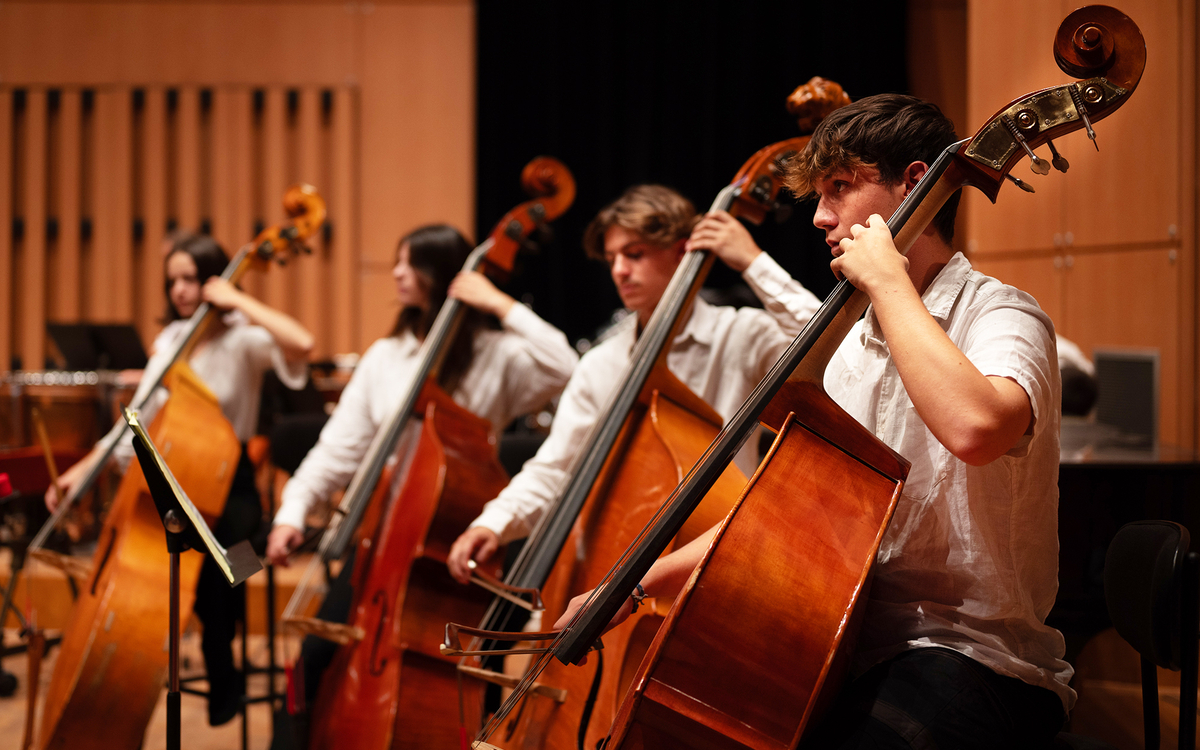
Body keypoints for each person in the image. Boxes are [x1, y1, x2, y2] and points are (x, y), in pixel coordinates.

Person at [557, 95, 1074, 749]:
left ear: (915, 183)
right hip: (849, 649)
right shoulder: (854, 351)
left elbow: (977, 430)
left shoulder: (1001, 314)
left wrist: (888, 282)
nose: (822, 216)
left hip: (976, 660)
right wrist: (625, 588)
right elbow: (775, 520)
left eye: (840, 188)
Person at [262, 223, 578, 713]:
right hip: (385, 536)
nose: (397, 273)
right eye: (397, 261)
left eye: (409, 263)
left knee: (474, 674)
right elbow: (338, 448)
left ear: (442, 273)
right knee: (318, 658)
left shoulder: (497, 355)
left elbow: (566, 367)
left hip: (463, 536)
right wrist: (293, 511)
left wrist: (499, 303)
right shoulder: (386, 357)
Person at [447, 184, 822, 584]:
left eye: (635, 254)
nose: (619, 270)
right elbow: (558, 468)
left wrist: (752, 262)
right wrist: (493, 524)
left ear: (682, 252)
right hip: (613, 566)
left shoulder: (742, 336)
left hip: (713, 564)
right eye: (612, 259)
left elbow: (831, 343)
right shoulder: (602, 364)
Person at [47, 230, 315, 726]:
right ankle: (168, 661)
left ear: (212, 278)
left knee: (233, 563)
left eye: (191, 279)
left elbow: (303, 342)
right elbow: (140, 412)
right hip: (175, 478)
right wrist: (84, 469)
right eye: (173, 281)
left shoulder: (245, 340)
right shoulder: (171, 340)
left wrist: (238, 298)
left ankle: (224, 657)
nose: (181, 291)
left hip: (230, 480)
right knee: (172, 567)